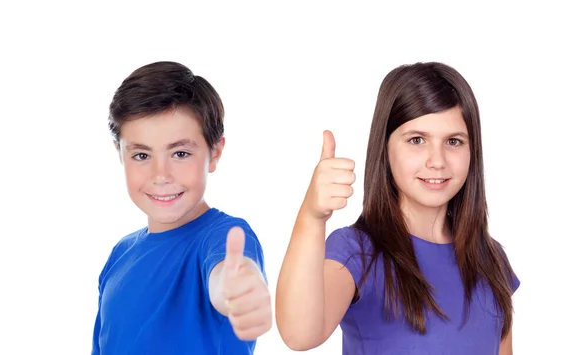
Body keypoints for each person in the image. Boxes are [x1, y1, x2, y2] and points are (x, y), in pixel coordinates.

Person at [275, 62, 520, 355]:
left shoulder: (491, 260)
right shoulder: (358, 252)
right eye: (417, 140)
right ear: (385, 148)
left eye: (453, 141)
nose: (437, 160)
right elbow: (299, 334)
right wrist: (312, 217)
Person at [91, 61, 271, 355]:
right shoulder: (120, 254)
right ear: (119, 154)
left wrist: (240, 291)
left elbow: (227, 277)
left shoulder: (222, 237)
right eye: (140, 155)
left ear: (215, 153)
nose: (161, 175)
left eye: (180, 153)